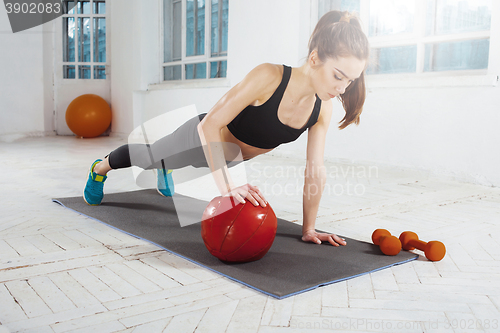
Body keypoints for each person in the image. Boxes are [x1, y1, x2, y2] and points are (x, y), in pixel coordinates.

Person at [83, 10, 369, 247]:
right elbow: (210, 125)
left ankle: (166, 169)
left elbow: (315, 168)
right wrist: (228, 188)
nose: (342, 88)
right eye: (338, 76)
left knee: (171, 162)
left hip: (228, 158)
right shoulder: (269, 77)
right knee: (150, 157)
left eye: (350, 81)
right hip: (200, 139)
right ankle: (100, 169)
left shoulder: (322, 108)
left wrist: (309, 228)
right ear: (315, 58)